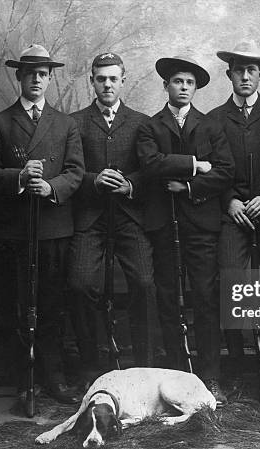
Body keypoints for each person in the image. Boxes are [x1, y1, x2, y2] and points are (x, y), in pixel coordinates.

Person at [0, 44, 85, 404]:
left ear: (50, 78)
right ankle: (20, 379)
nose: (36, 79)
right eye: (30, 73)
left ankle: (53, 376)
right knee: (14, 303)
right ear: (19, 77)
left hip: (54, 229)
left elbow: (76, 172)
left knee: (52, 305)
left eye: (43, 73)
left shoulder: (66, 123)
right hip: (12, 233)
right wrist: (21, 178)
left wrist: (51, 187)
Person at [136, 55, 234, 405]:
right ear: (166, 85)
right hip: (163, 224)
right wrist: (195, 164)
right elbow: (150, 165)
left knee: (206, 299)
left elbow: (225, 172)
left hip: (201, 224)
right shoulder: (150, 126)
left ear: (196, 88)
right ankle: (177, 375)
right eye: (177, 81)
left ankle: (209, 377)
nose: (183, 87)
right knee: (167, 299)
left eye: (189, 83)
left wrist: (188, 187)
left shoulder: (210, 126)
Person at [207, 41, 260, 405]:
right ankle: (238, 372)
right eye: (238, 70)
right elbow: (211, 170)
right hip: (233, 214)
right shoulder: (213, 119)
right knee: (232, 284)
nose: (244, 76)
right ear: (229, 74)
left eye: (251, 70)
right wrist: (230, 201)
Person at [68, 52, 155, 370]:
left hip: (129, 216)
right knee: (79, 284)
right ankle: (92, 366)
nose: (107, 84)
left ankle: (144, 367)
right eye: (100, 78)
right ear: (91, 81)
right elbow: (68, 170)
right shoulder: (74, 122)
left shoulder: (142, 122)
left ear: (123, 80)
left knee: (145, 284)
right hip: (90, 217)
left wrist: (130, 185)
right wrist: (94, 180)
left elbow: (152, 169)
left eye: (113, 78)